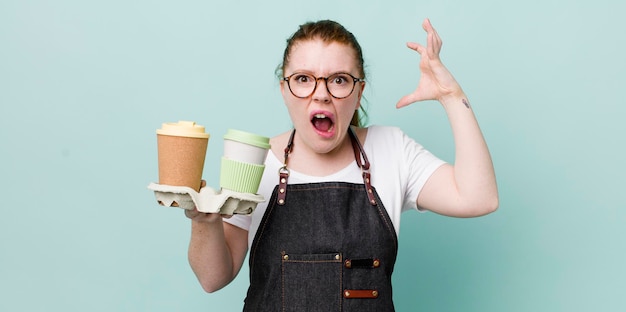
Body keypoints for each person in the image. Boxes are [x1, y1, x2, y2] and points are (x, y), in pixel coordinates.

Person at [184, 18, 498, 311]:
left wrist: (450, 94)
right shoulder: (255, 161)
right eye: (304, 79)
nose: (321, 95)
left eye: (338, 80)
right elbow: (213, 279)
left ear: (359, 92)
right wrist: (204, 222)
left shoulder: (391, 150)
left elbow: (479, 197)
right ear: (284, 90)